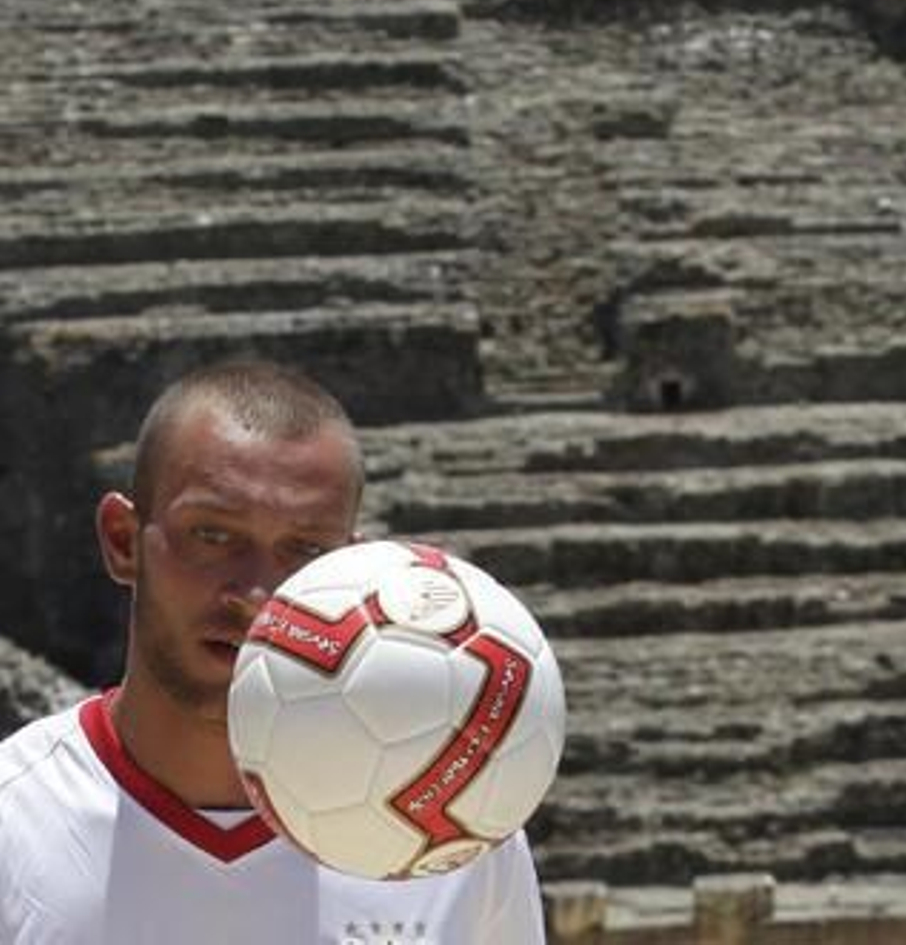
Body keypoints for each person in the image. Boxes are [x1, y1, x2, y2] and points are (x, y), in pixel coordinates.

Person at [0, 359, 546, 944]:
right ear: (122, 540)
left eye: (305, 550)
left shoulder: (448, 834)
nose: (256, 596)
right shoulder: (14, 824)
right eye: (213, 535)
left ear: (351, 567)